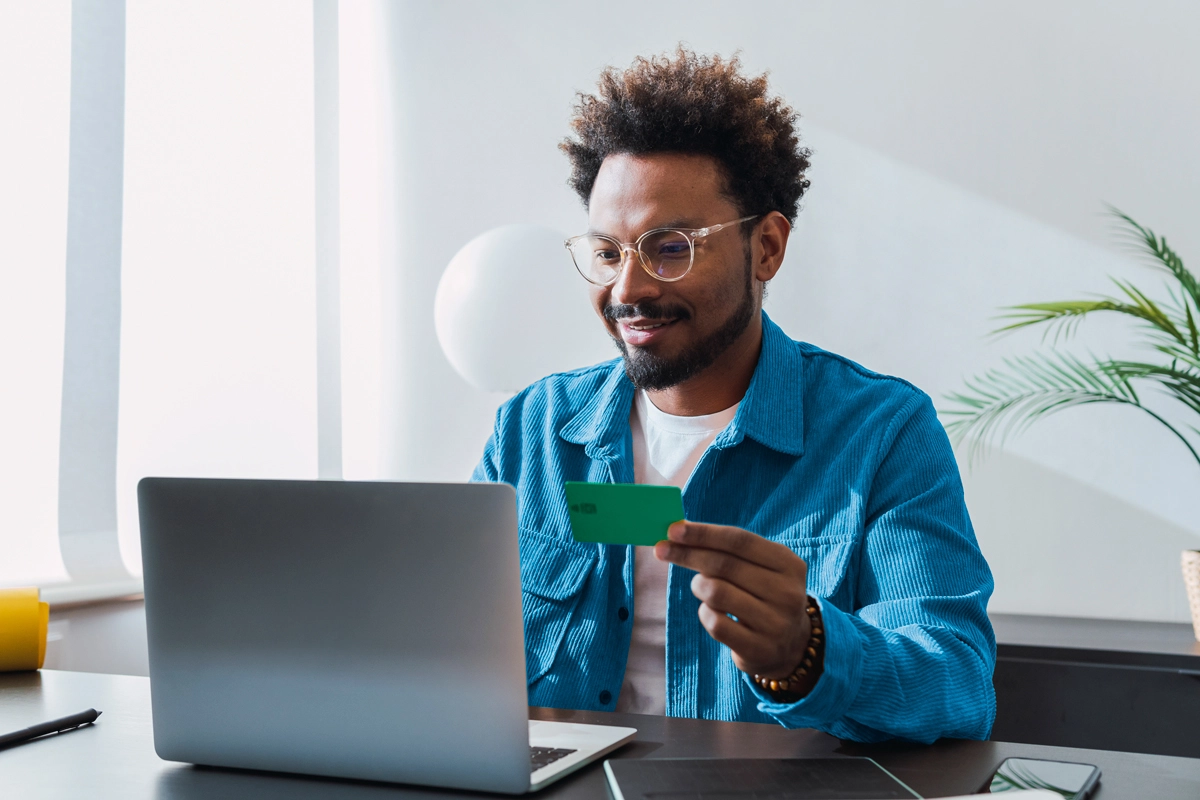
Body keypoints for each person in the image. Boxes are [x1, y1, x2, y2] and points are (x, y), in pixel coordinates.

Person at [471, 48, 995, 743]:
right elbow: (450, 649)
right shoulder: (531, 430)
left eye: (671, 248)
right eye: (607, 251)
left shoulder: (882, 434)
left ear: (768, 248)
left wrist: (809, 653)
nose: (627, 290)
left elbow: (956, 686)